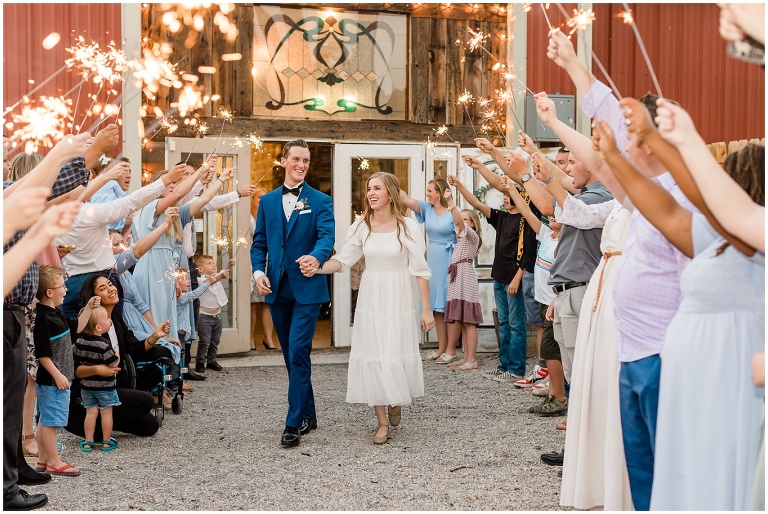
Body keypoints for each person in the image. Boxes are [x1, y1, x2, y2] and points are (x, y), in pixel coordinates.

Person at [593, 119, 765, 511]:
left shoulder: (754, 243)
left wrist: (664, 139)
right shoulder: (715, 239)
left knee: (718, 475)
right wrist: (613, 156)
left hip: (732, 375)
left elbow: (689, 201)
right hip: (691, 376)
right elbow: (666, 212)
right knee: (679, 473)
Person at [4, 128, 112, 511]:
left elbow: (64, 195)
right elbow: (60, 192)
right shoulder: (14, 198)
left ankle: (16, 466)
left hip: (19, 311)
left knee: (16, 391)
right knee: (16, 393)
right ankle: (8, 484)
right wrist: (84, 155)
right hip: (12, 313)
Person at [301, 172, 434, 444]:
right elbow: (343, 260)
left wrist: (427, 309)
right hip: (371, 296)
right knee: (373, 354)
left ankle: (395, 400)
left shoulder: (408, 226)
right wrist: (317, 267)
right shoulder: (361, 226)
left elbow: (420, 270)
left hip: (398, 297)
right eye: (369, 188)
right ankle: (382, 421)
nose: (371, 193)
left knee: (394, 352)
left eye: (377, 188)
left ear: (390, 194)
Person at [251, 139, 335, 448]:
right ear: (284, 161)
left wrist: (316, 256)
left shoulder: (321, 200)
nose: (301, 164)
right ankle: (309, 412)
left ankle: (293, 423)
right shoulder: (268, 201)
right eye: (296, 159)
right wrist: (258, 273)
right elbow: (259, 243)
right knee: (291, 355)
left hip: (308, 288)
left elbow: (327, 237)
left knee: (299, 349)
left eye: (306, 160)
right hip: (276, 288)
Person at [132, 161, 232, 344]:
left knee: (167, 313)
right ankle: (155, 351)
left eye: (174, 184)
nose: (172, 187)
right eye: (168, 184)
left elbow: (203, 200)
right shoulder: (152, 206)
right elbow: (179, 194)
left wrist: (221, 180)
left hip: (167, 267)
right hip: (150, 264)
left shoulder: (177, 213)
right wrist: (202, 169)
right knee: (155, 312)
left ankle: (168, 353)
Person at [65, 274, 167, 441]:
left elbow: (134, 348)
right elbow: (73, 369)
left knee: (150, 426)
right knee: (147, 401)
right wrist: (97, 369)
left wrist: (155, 336)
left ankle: (104, 423)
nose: (111, 289)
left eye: (110, 284)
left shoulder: (116, 319)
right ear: (94, 298)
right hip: (89, 391)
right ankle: (89, 422)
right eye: (103, 288)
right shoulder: (87, 325)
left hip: (112, 387)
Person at [455, 154, 528, 381]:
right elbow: (476, 204)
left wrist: (517, 278)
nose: (505, 198)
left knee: (516, 324)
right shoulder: (501, 217)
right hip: (499, 278)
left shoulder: (526, 219)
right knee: (504, 323)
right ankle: (504, 364)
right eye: (504, 195)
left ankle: (516, 368)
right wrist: (459, 186)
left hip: (514, 279)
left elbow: (528, 253)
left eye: (509, 195)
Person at [33, 266, 93, 477]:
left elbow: (76, 328)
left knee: (45, 420)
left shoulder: (57, 313)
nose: (66, 290)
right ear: (50, 292)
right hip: (53, 381)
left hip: (58, 379)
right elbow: (42, 354)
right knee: (51, 422)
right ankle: (54, 462)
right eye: (62, 286)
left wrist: (88, 308)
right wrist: (58, 375)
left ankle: (43, 460)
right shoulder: (43, 319)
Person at [399, 179, 456, 363]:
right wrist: (387, 183)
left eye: (430, 191)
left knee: (450, 305)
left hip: (451, 259)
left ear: (440, 192)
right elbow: (405, 199)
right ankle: (441, 348)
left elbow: (463, 233)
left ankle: (451, 350)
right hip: (433, 259)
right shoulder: (426, 208)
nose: (427, 194)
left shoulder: (453, 211)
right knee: (437, 307)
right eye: (427, 190)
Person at [442, 182, 484, 372]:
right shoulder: (459, 240)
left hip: (466, 279)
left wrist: (451, 203)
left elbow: (459, 222)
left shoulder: (471, 236)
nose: (461, 222)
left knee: (469, 321)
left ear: (473, 224)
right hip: (458, 280)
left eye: (467, 219)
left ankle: (472, 359)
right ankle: (467, 357)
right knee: (462, 320)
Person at [73, 305, 120, 453]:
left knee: (90, 413)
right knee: (106, 413)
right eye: (106, 319)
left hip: (87, 386)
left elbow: (75, 356)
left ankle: (88, 441)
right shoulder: (103, 344)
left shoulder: (79, 342)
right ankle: (106, 441)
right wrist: (117, 354)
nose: (109, 320)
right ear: (98, 327)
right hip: (105, 386)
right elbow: (113, 363)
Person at [193, 254, 234, 373]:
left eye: (213, 263)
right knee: (204, 341)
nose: (213, 265)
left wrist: (229, 265)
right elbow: (215, 279)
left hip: (217, 316)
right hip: (205, 317)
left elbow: (223, 273)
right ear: (200, 269)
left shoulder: (216, 276)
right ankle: (200, 361)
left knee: (215, 341)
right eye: (209, 263)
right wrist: (221, 275)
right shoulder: (201, 280)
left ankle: (211, 360)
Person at [250, 188, 277, 350]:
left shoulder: (272, 216)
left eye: (265, 197)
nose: (262, 200)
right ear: (253, 199)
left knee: (267, 303)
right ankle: (249, 339)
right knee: (251, 304)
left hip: (269, 262)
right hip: (250, 263)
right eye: (259, 197)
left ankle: (268, 339)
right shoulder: (246, 217)